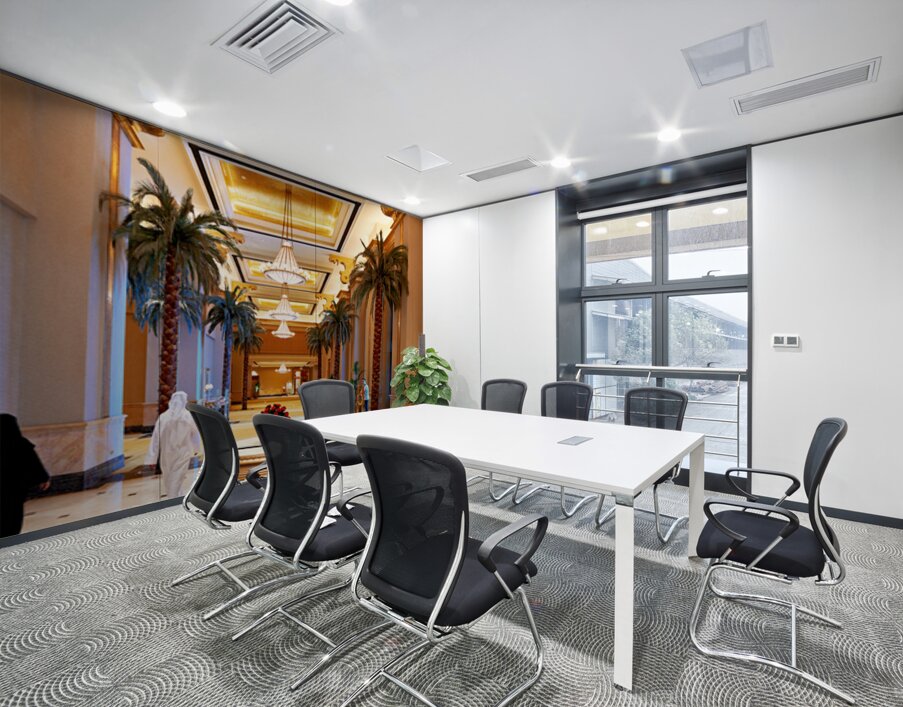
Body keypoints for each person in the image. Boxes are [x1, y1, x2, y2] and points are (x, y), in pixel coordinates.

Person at [0, 413, 51, 537]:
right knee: (13, 517)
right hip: (15, 490)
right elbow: (33, 463)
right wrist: (43, 478)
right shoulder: (20, 444)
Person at [145, 391, 201, 499]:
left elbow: (155, 439)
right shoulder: (188, 416)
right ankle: (174, 498)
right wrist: (196, 449)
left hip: (167, 454)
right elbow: (196, 434)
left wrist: (152, 458)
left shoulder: (164, 417)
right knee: (175, 477)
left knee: (170, 478)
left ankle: (173, 497)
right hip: (183, 452)